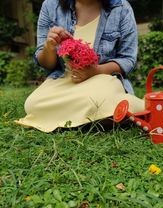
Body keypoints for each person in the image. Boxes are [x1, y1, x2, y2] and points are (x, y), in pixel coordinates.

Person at [16, 0, 145, 132]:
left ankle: (86, 116)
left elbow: (128, 59)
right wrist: (49, 46)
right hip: (64, 81)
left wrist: (96, 71)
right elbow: (46, 64)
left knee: (98, 99)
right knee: (32, 104)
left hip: (103, 79)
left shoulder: (121, 8)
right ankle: (116, 114)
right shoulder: (50, 6)